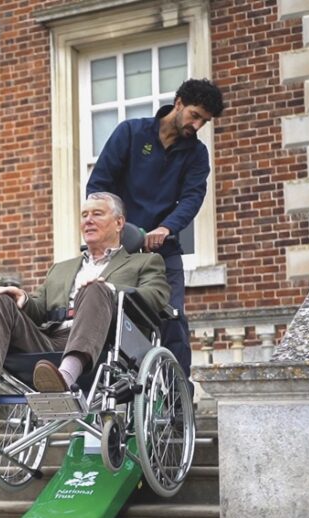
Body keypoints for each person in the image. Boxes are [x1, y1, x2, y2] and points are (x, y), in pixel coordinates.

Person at [0, 192, 170, 408]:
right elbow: (40, 309)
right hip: (51, 341)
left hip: (104, 343)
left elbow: (157, 297)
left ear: (119, 223)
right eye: (84, 215)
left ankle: (65, 377)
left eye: (97, 214)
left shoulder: (144, 262)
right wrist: (24, 299)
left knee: (95, 289)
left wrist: (109, 289)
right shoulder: (61, 268)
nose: (88, 220)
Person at [85, 78, 225, 378]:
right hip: (118, 248)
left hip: (164, 251)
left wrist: (166, 228)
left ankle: (177, 400)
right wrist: (120, 228)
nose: (197, 125)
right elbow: (99, 186)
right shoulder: (131, 133)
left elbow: (191, 198)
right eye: (195, 115)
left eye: (204, 121)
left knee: (172, 320)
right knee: (101, 315)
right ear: (178, 104)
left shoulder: (196, 155)